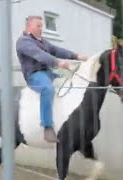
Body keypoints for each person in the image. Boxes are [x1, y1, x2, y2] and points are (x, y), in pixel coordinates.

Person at [16, 15, 88, 143]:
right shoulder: (23, 41)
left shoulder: (42, 41)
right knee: (47, 88)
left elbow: (57, 50)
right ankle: (47, 127)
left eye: (41, 26)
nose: (41, 28)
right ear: (29, 26)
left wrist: (77, 56)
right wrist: (58, 63)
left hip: (48, 72)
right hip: (35, 75)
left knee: (69, 80)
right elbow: (39, 55)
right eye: (38, 26)